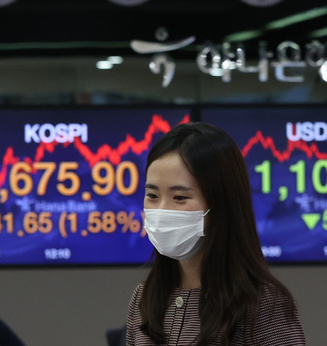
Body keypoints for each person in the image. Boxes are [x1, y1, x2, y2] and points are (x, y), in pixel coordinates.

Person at [126, 122, 306, 345]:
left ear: (221, 203)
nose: (161, 210)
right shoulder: (145, 297)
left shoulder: (262, 305)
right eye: (152, 195)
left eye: (180, 198)